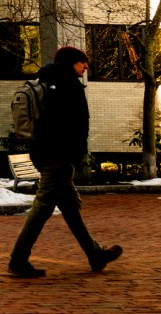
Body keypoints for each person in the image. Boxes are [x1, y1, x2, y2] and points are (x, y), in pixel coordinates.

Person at [8, 46, 123, 277]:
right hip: (58, 156)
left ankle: (95, 254)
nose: (86, 66)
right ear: (71, 62)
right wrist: (75, 152)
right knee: (42, 208)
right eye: (82, 62)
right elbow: (71, 124)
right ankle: (18, 259)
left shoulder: (49, 80)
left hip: (46, 153)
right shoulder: (66, 84)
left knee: (70, 208)